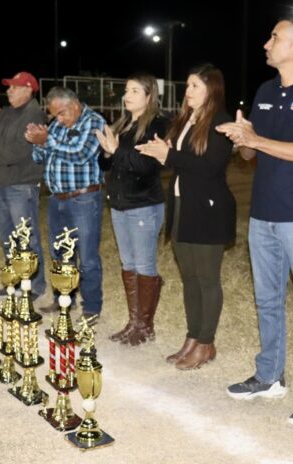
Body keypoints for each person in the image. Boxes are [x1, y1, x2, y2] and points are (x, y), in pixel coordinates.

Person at [217, 17, 293, 428]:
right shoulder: (265, 92)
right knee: (267, 301)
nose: (266, 43)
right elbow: (251, 157)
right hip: (263, 216)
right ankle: (269, 376)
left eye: (274, 37)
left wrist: (257, 141)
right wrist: (244, 137)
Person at [136, 63, 235, 370]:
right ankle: (192, 339)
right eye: (188, 85)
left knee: (207, 279)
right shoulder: (186, 119)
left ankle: (206, 343)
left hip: (208, 210)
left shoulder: (220, 121)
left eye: (195, 86)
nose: (188, 91)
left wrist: (171, 156)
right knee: (190, 279)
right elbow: (183, 163)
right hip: (182, 207)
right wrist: (162, 151)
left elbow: (211, 167)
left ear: (212, 89)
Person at [96, 73, 169, 346]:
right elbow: (106, 165)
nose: (127, 96)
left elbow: (147, 165)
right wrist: (105, 152)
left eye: (135, 91)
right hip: (119, 203)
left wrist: (116, 152)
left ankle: (145, 327)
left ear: (149, 96)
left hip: (144, 205)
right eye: (126, 90)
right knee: (128, 264)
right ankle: (134, 322)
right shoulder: (124, 123)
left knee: (144, 264)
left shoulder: (158, 124)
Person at [25, 86, 105, 318]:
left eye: (61, 113)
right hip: (57, 199)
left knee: (87, 257)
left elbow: (80, 154)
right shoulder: (58, 126)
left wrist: (47, 140)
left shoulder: (94, 121)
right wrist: (37, 141)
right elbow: (39, 158)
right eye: (54, 115)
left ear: (75, 105)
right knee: (60, 254)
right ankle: (64, 301)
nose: (58, 119)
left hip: (84, 199)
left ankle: (91, 307)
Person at [0, 72, 48, 299]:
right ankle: (14, 279)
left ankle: (35, 285)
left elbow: (21, 150)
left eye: (14, 87)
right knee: (7, 237)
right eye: (9, 87)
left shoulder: (33, 114)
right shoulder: (7, 113)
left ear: (28, 89)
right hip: (3, 183)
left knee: (26, 237)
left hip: (22, 185)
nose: (9, 90)